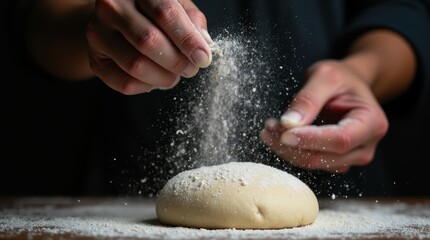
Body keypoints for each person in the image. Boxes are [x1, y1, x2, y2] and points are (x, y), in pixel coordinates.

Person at [2, 0, 430, 197]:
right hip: (129, 200)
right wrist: (96, 30)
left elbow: (404, 10)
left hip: (343, 195)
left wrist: (363, 71)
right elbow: (32, 22)